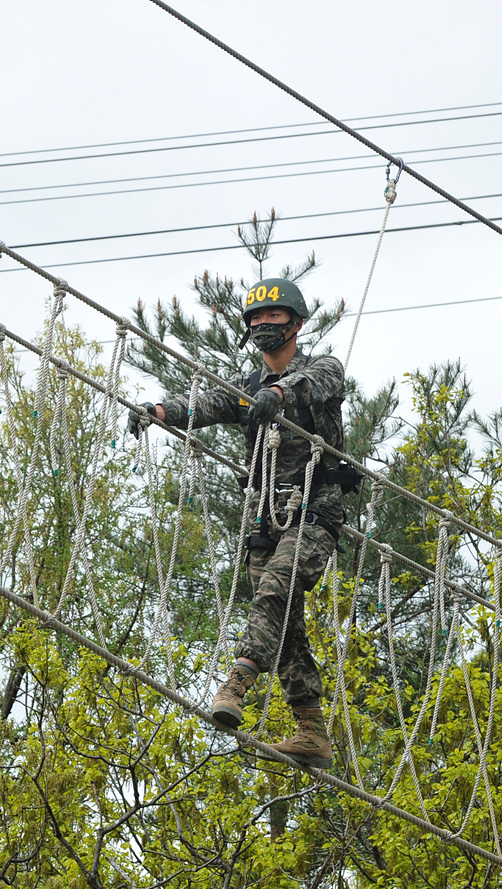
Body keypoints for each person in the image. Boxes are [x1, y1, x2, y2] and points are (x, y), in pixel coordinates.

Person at [127, 277, 351, 769]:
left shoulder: (323, 368)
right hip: (265, 520)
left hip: (315, 512)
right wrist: (160, 411)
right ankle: (312, 731)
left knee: (275, 591)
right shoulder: (247, 388)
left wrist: (280, 396)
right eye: (255, 319)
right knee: (284, 623)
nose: (263, 325)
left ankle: (237, 681)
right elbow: (208, 404)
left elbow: (310, 386)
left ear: (294, 322)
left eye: (273, 317)